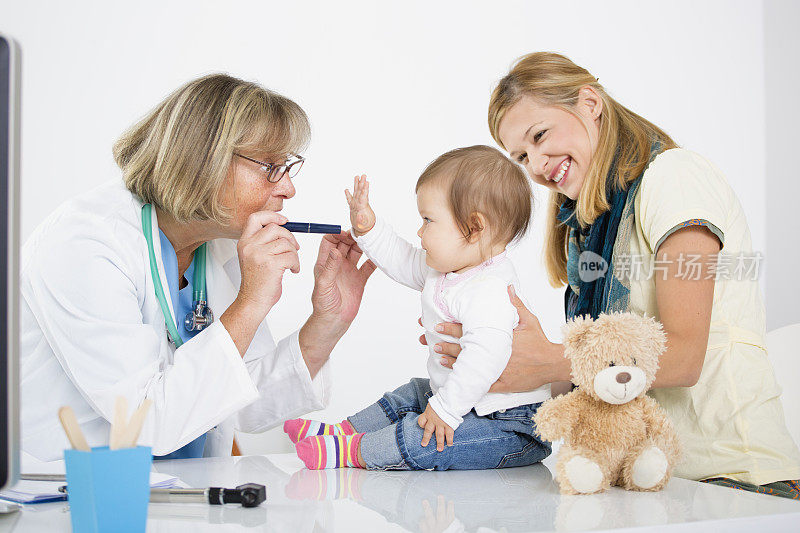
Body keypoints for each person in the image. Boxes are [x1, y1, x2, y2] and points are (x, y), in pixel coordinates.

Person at [428, 52, 800, 498]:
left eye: (540, 135)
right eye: (522, 156)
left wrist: (546, 359)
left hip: (735, 482)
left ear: (589, 103)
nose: (538, 164)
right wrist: (492, 348)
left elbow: (684, 358)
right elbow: (588, 377)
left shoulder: (675, 179)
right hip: (641, 484)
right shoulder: (586, 229)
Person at [20, 74, 376, 462]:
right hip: (75, 500)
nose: (289, 188)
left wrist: (329, 320)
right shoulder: (86, 243)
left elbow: (243, 403)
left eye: (288, 166)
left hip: (183, 495)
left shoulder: (216, 243)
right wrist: (252, 302)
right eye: (272, 166)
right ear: (204, 160)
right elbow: (144, 424)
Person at [283, 146, 551, 470]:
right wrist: (369, 228)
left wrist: (446, 410)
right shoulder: (447, 268)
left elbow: (485, 358)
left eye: (428, 220)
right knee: (412, 394)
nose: (420, 231)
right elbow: (402, 259)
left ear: (475, 227)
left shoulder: (490, 289)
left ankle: (352, 451)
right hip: (464, 400)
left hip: (507, 424)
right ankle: (342, 432)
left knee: (425, 437)